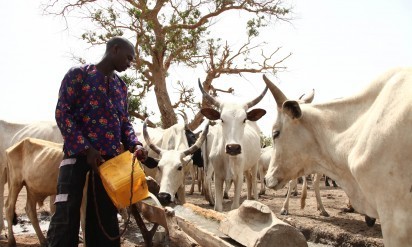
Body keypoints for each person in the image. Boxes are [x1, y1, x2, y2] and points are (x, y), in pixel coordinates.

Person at [47, 36, 148, 247]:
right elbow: (62, 114)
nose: (130, 64)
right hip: (76, 156)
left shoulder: (121, 86)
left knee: (105, 216)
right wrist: (86, 148)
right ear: (115, 49)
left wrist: (135, 144)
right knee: (66, 213)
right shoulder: (78, 75)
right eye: (128, 58)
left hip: (109, 163)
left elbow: (124, 122)